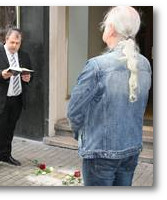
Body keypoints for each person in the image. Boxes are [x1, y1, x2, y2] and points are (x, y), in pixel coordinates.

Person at [67, 6, 151, 186]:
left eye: (105, 25)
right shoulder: (144, 64)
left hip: (100, 152)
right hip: (131, 149)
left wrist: (81, 134)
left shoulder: (97, 66)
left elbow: (74, 111)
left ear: (111, 28)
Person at [0, 28, 32, 172]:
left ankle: (6, 155)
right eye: (12, 42)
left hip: (17, 98)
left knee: (10, 129)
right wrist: (0, 74)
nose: (14, 46)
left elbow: (30, 74)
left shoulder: (24, 55)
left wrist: (28, 78)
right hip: (1, 99)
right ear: (6, 39)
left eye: (17, 43)